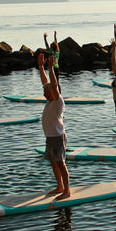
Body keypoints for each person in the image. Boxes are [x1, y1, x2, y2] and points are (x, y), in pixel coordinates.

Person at [38, 53, 70, 199]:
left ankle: (67, 191)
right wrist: (40, 67)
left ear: (53, 92)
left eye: (46, 91)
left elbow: (53, 84)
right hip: (50, 136)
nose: (44, 92)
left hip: (57, 136)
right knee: (53, 162)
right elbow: (46, 82)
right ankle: (59, 186)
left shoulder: (58, 101)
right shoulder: (50, 101)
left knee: (61, 163)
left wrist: (50, 68)